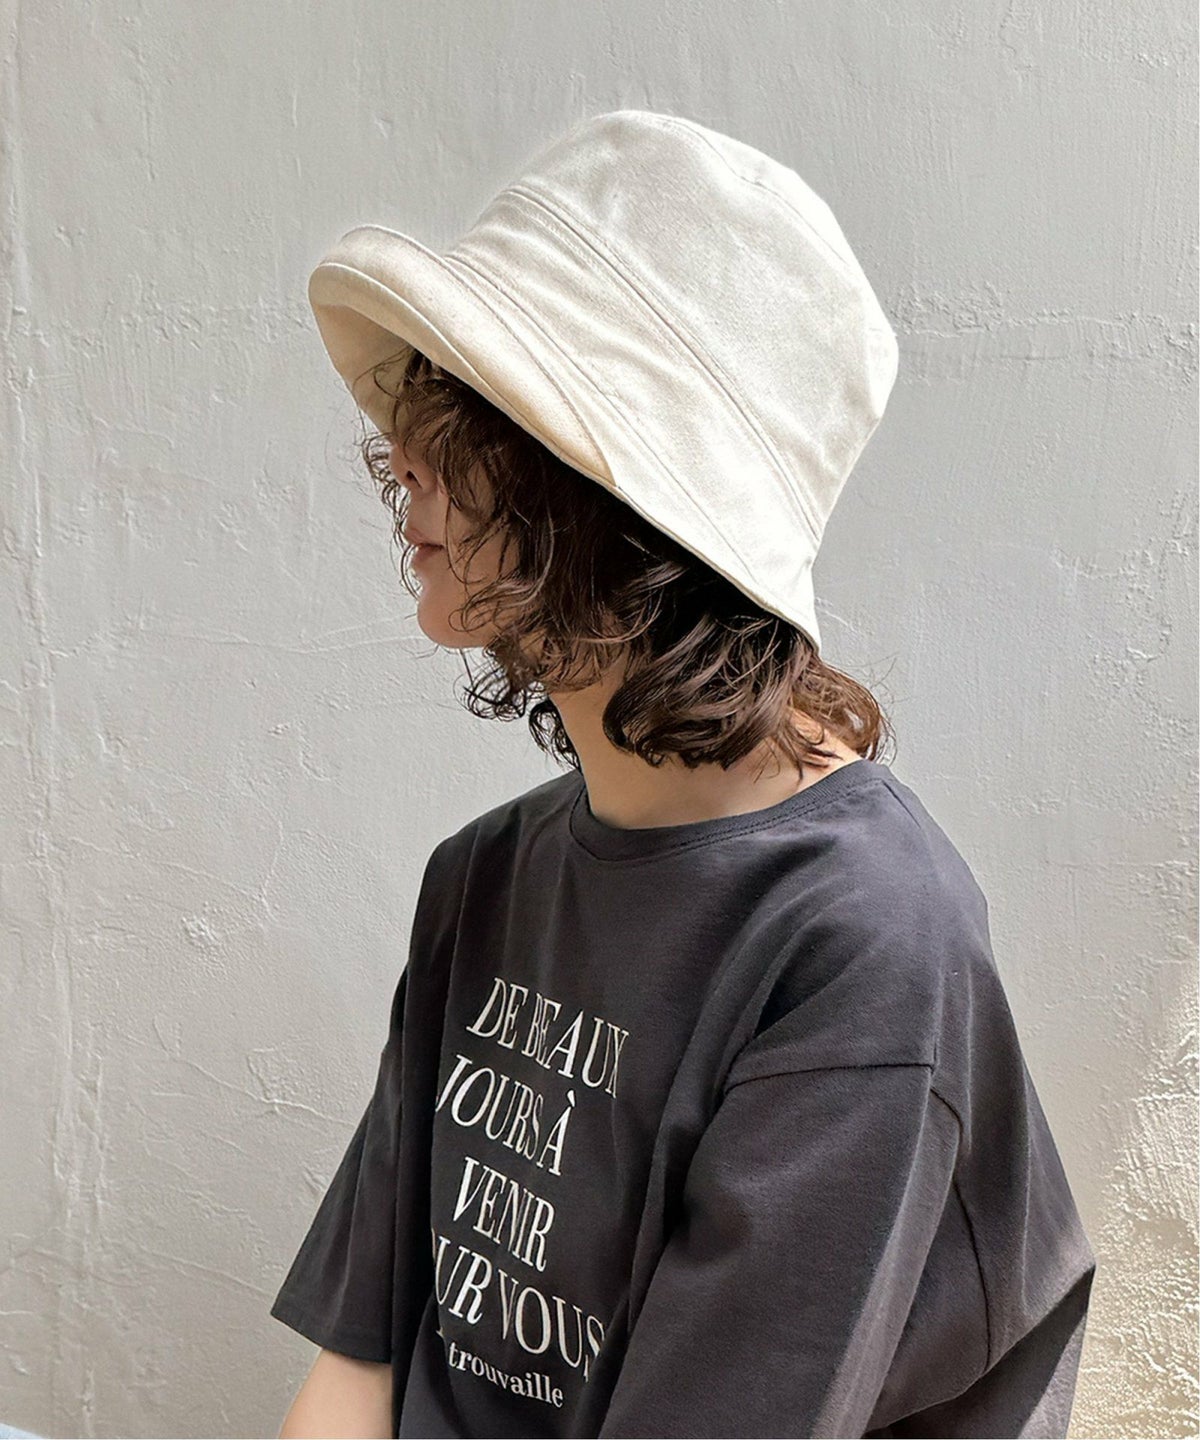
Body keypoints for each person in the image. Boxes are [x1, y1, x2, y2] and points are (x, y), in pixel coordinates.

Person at [270, 111, 1097, 1439]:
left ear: (621, 506)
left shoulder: (866, 953)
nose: (401, 458)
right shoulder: (483, 881)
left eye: (467, 414)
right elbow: (359, 1367)